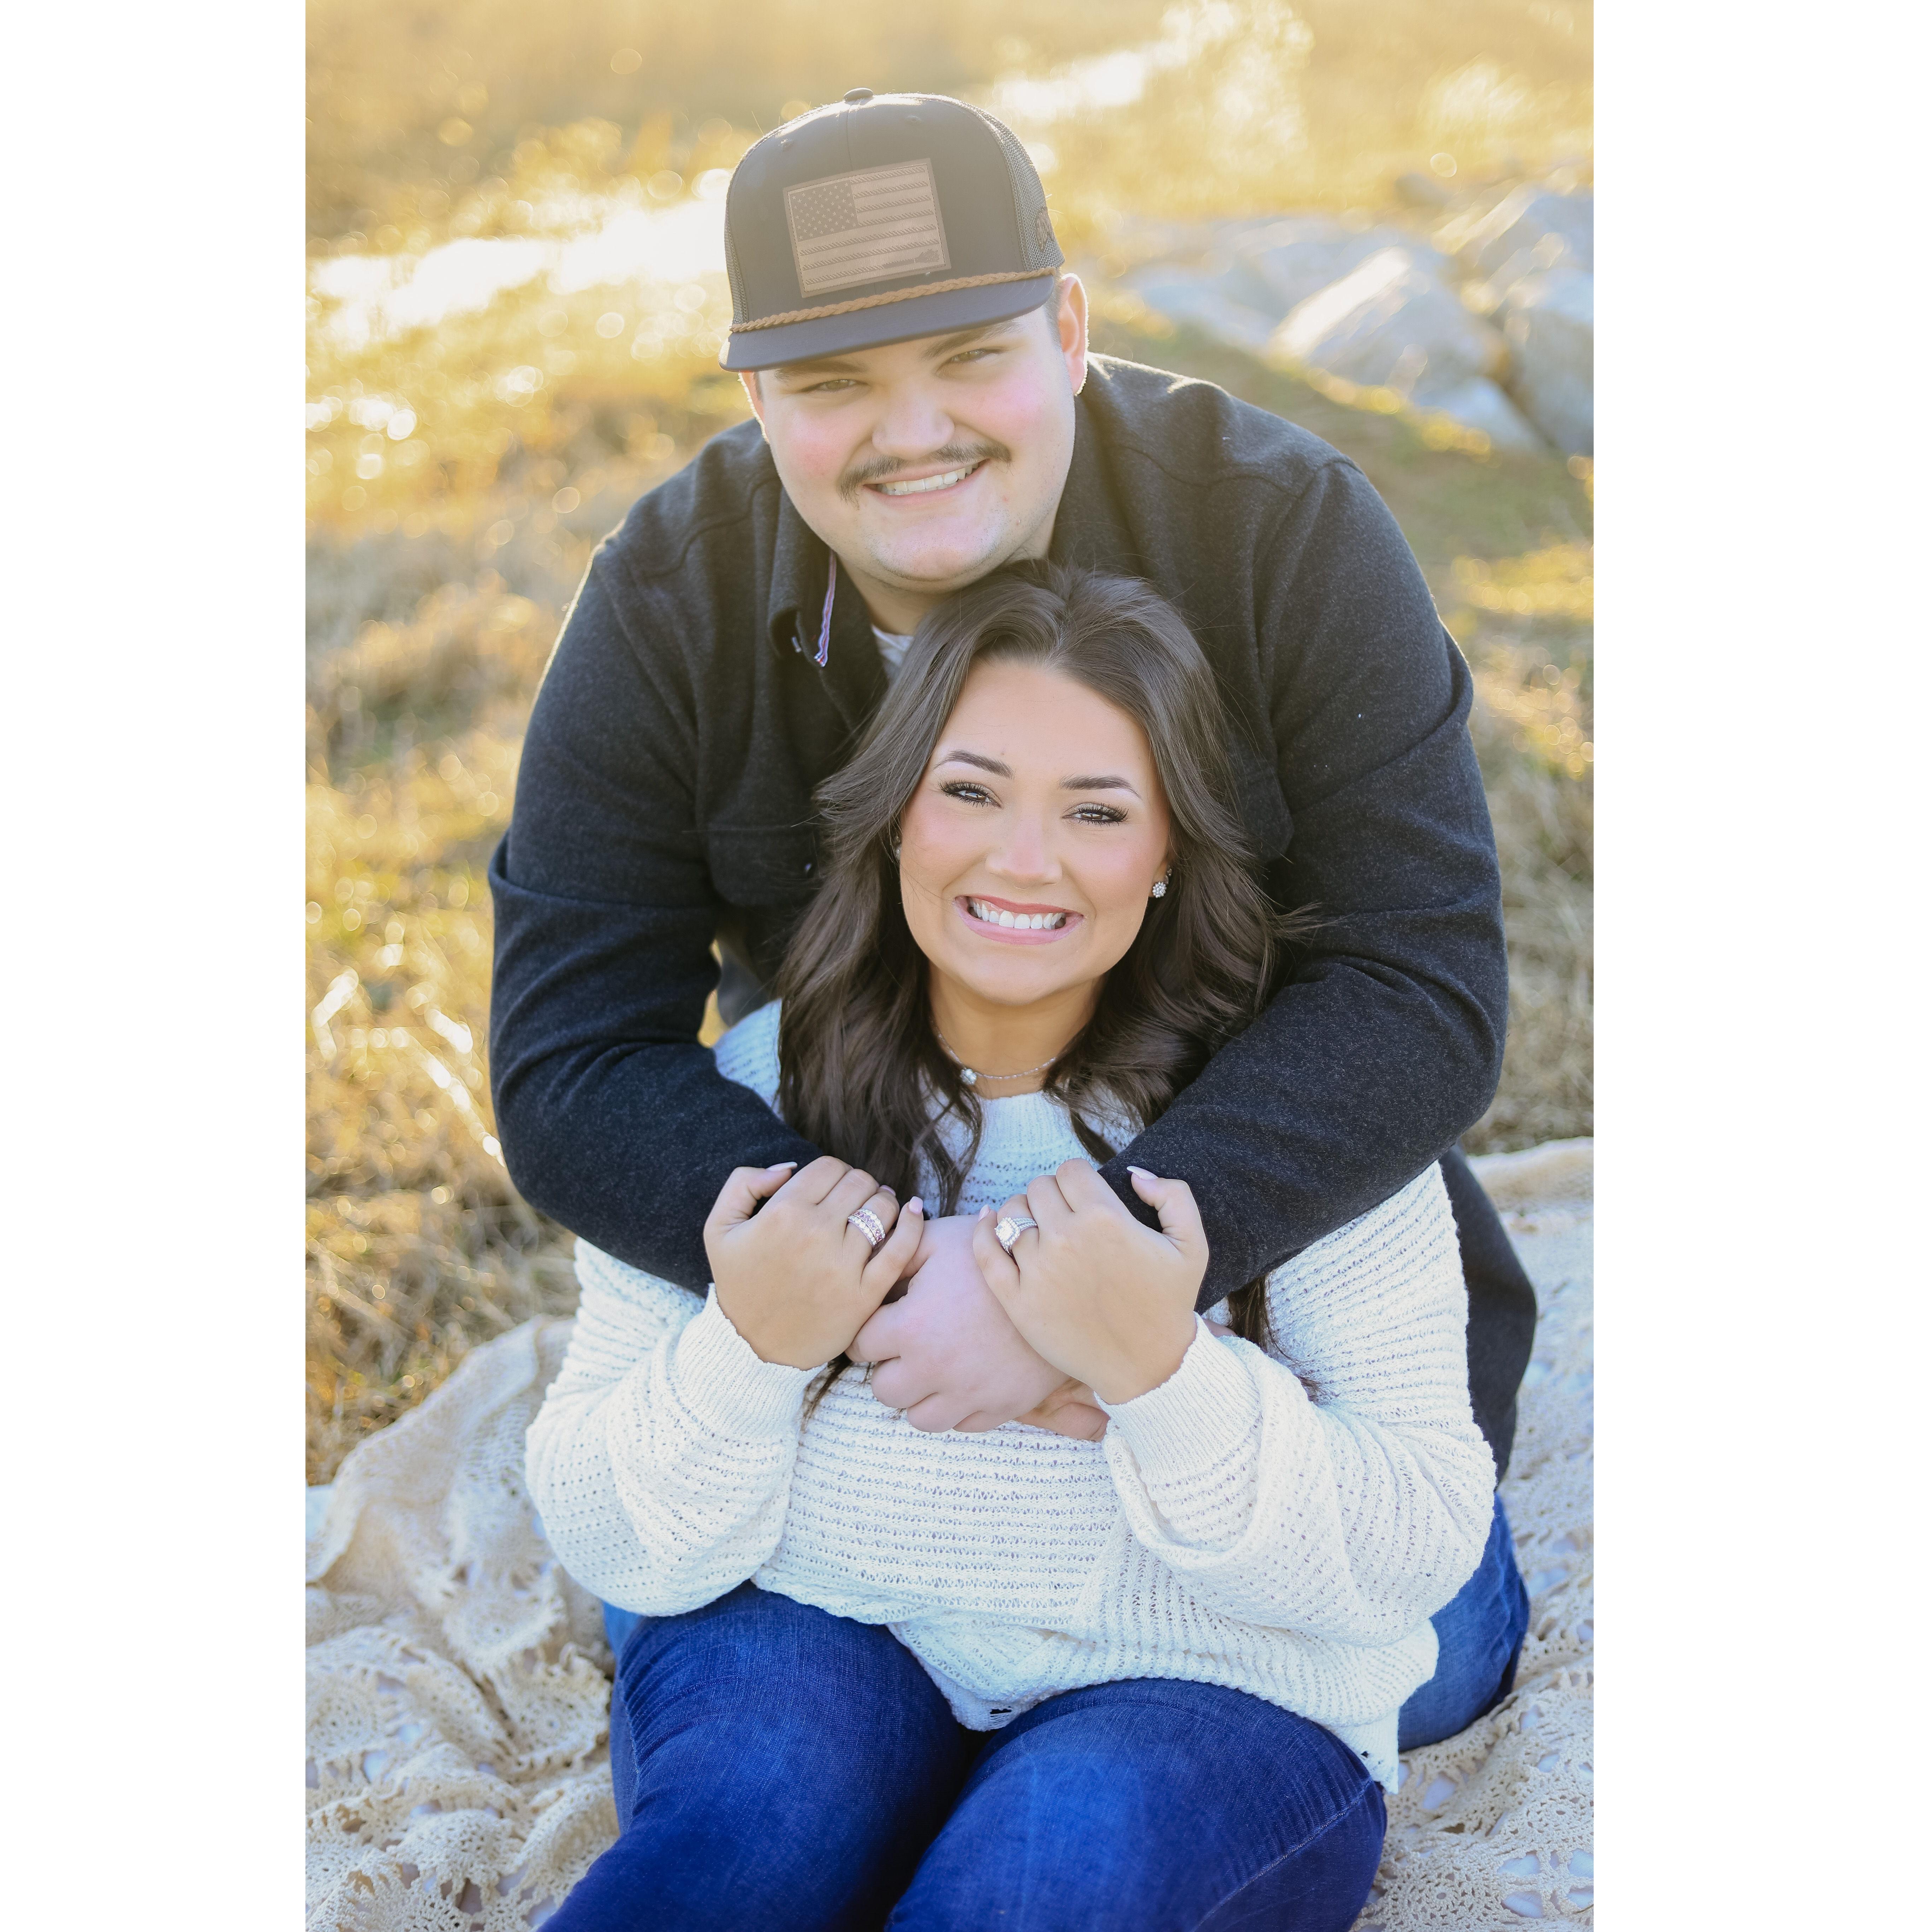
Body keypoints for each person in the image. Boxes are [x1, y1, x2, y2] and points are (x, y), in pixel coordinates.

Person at [490, 89, 1534, 1743]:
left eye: (969, 356)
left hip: (1252, 1326)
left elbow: (1420, 984)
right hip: (863, 1375)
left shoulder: (1284, 531)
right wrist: (892, 1281)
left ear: (1067, 326)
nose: (913, 434)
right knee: (772, 1759)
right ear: (758, 396)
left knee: (1430, 1664)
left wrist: (1083, 1281)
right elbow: (571, 1060)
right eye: (834, 383)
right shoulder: (668, 598)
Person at [525, 564, 1500, 1929]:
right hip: (817, 1631)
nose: (1024, 860)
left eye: (1097, 812)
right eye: (971, 792)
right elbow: (606, 1528)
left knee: (1039, 1887)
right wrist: (754, 1351)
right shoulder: (747, 1095)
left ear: (1168, 854)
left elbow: (1416, 1544)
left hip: (1202, 1687)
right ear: (895, 816)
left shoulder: (1304, 1110)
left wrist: (1157, 1374)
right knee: (734, 1849)